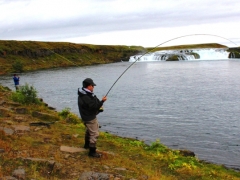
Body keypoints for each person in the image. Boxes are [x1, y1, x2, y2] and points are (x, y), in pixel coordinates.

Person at [78, 78, 107, 158]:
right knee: (95, 133)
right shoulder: (86, 96)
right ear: (88, 86)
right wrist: (102, 101)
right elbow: (93, 106)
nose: (93, 87)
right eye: (92, 86)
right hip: (89, 117)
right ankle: (92, 152)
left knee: (89, 131)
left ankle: (86, 145)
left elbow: (93, 103)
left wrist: (100, 103)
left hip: (86, 116)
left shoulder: (85, 94)